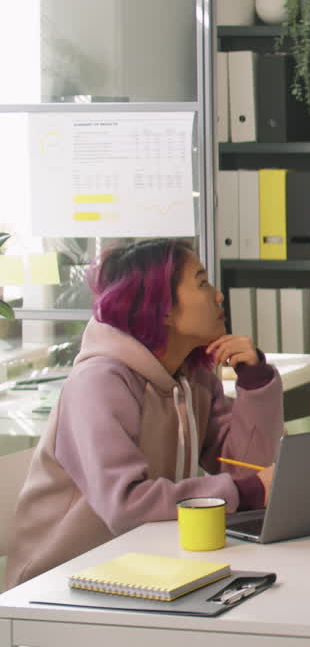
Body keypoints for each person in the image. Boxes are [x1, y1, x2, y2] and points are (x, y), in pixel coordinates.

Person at [6, 239, 282, 588]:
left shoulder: (192, 376)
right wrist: (247, 492)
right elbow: (126, 505)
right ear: (163, 306)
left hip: (147, 568)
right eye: (201, 282)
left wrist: (254, 382)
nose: (218, 295)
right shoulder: (99, 382)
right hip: (61, 582)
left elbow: (248, 468)